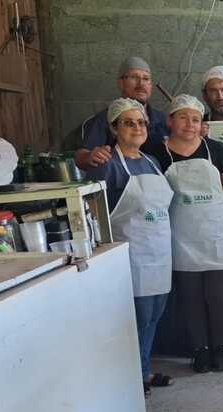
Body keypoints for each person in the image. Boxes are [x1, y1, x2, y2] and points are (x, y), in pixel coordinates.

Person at [142, 94, 223, 373]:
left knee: (218, 296)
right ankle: (199, 351)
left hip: (216, 233)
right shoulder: (156, 151)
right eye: (183, 117)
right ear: (170, 121)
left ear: (203, 124)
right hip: (180, 234)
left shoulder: (216, 149)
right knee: (189, 297)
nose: (190, 124)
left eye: (196, 119)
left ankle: (219, 349)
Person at [86, 98, 175, 395]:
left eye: (141, 123)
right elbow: (97, 215)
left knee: (153, 317)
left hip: (159, 252)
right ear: (114, 128)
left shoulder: (152, 162)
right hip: (131, 254)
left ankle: (143, 372)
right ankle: (128, 379)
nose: (137, 128)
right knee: (134, 319)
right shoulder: (106, 165)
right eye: (128, 122)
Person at [75, 57, 169, 171]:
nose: (141, 84)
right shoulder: (102, 120)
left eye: (146, 79)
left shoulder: (163, 119)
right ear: (121, 83)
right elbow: (81, 156)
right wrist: (90, 157)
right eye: (134, 77)